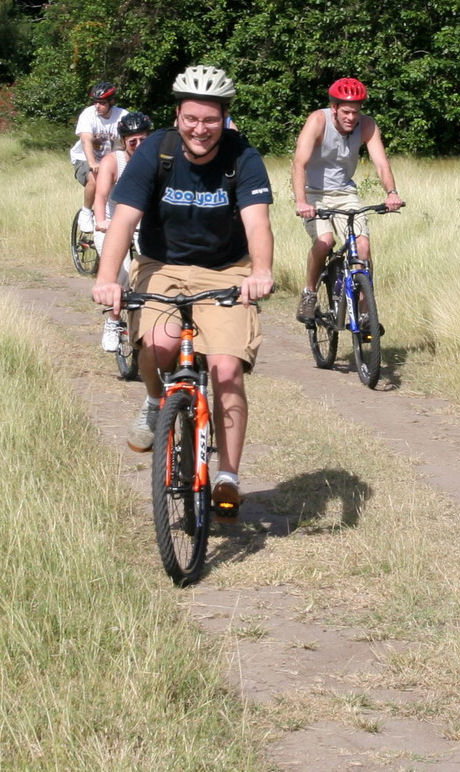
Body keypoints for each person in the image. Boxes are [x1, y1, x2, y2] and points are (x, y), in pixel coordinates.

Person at [91, 65, 275, 514]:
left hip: (226, 269)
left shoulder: (241, 156)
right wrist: (106, 279)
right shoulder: (157, 151)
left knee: (227, 370)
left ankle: (228, 477)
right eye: (192, 118)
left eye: (211, 119)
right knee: (159, 346)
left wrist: (262, 271)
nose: (200, 128)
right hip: (161, 263)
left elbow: (257, 222)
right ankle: (156, 400)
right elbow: (124, 220)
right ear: (177, 115)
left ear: (225, 119)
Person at [292, 77, 403, 322]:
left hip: (345, 193)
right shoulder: (317, 121)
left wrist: (392, 192)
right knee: (325, 241)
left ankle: (365, 314)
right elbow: (299, 163)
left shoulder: (367, 126)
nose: (351, 117)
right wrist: (302, 201)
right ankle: (309, 293)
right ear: (334, 108)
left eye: (356, 112)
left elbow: (381, 163)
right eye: (346, 111)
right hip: (313, 193)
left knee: (362, 248)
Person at [94, 111, 153, 352]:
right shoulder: (113, 162)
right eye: (133, 142)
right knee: (121, 274)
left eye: (144, 140)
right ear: (124, 142)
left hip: (144, 228)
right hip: (112, 225)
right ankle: (113, 322)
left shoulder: (157, 161)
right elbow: (100, 196)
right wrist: (100, 220)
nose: (139, 146)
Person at [70, 82, 129, 233]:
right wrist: (92, 162)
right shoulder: (88, 114)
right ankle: (86, 212)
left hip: (112, 160)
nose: (97, 106)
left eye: (102, 103)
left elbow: (130, 142)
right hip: (84, 157)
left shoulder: (123, 116)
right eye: (95, 102)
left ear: (112, 102)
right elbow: (86, 139)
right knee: (95, 178)